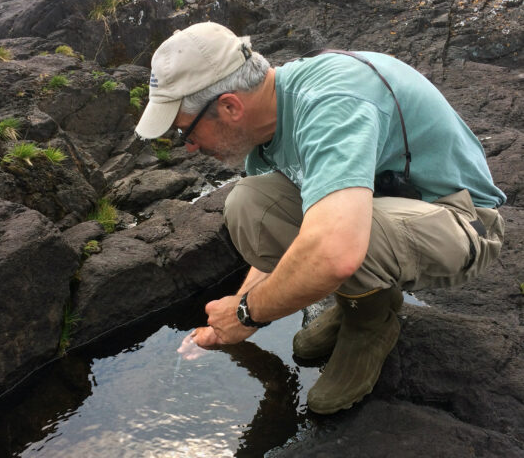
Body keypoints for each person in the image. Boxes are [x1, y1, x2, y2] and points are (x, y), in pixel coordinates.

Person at [135, 21, 505, 414]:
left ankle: (371, 325)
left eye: (185, 132)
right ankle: (359, 303)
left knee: (336, 237)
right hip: (390, 211)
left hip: (462, 222)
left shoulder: (332, 103)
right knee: (249, 204)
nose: (189, 148)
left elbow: (335, 250)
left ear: (229, 106)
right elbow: (287, 232)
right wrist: (229, 316)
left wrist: (248, 314)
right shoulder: (267, 129)